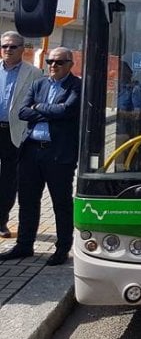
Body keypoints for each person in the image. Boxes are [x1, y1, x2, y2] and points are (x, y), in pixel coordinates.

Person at [0, 47, 81, 266]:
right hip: (31, 151)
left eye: (59, 62)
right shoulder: (39, 84)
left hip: (58, 154)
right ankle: (24, 245)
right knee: (27, 201)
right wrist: (50, 110)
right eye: (50, 61)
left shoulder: (77, 85)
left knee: (60, 204)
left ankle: (62, 248)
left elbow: (67, 111)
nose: (53, 66)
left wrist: (40, 108)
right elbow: (22, 112)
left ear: (70, 64)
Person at [0, 32, 41, 239]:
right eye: (5, 46)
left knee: (8, 179)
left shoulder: (33, 73)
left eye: (13, 47)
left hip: (14, 132)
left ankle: (1, 220)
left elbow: (39, 102)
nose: (8, 50)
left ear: (23, 49)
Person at [117, 62, 141, 140]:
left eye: (121, 70)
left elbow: (138, 114)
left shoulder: (135, 89)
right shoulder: (118, 88)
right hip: (117, 129)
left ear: (129, 73)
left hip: (127, 133)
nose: (118, 72)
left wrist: (119, 113)